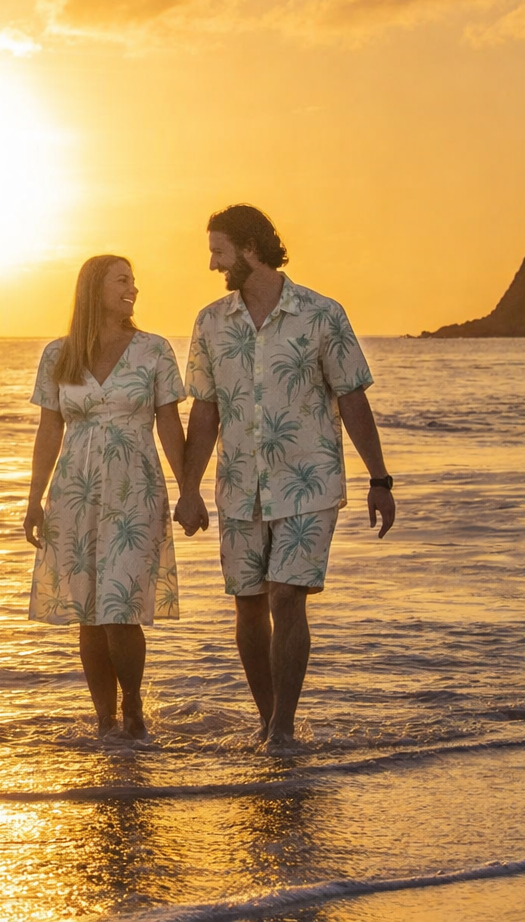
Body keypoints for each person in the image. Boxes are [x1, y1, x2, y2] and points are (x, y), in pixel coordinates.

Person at [173, 205, 396, 752]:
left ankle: (283, 730)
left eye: (219, 251)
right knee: (248, 602)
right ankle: (267, 719)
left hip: (308, 482)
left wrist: (380, 479)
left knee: (285, 597)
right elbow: (204, 412)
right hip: (239, 485)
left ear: (250, 248)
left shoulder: (321, 314)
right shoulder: (210, 322)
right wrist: (188, 489)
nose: (211, 264)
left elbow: (352, 398)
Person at [24, 255, 189, 738]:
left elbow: (168, 424)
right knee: (88, 614)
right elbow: (49, 428)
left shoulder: (153, 350)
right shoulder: (60, 354)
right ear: (94, 289)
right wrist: (34, 500)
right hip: (75, 491)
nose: (133, 288)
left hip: (134, 489)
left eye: (134, 280)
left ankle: (134, 709)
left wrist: (190, 491)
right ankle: (104, 721)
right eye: (122, 280)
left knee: (121, 610)